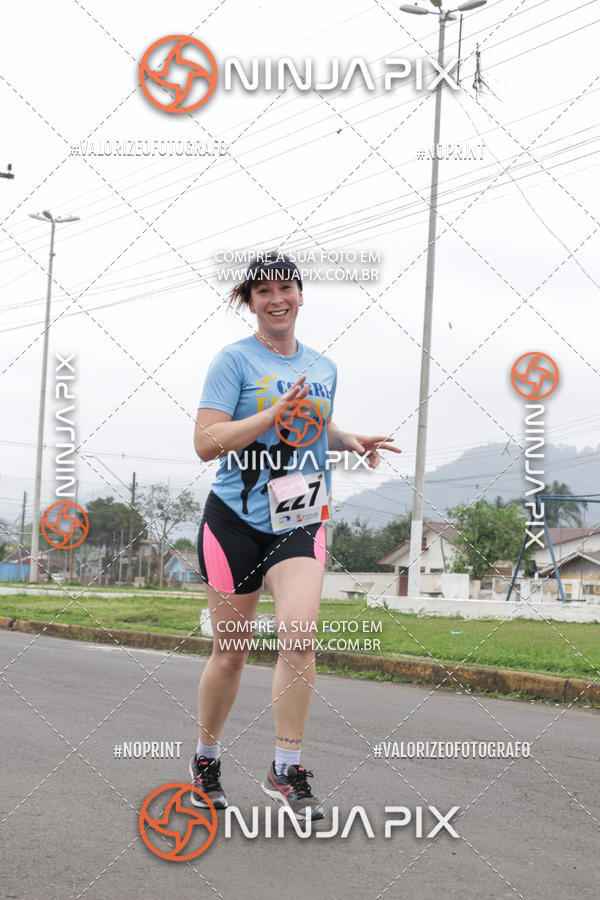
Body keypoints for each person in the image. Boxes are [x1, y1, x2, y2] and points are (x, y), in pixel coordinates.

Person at [191, 250, 401, 820]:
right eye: (263, 291)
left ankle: (285, 769)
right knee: (231, 653)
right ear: (250, 302)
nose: (276, 299)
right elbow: (206, 442)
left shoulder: (323, 366)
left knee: (300, 637)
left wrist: (346, 439)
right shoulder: (233, 361)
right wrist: (269, 415)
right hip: (235, 520)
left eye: (286, 288)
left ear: (301, 295)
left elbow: (310, 424)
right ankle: (207, 758)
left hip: (298, 516)